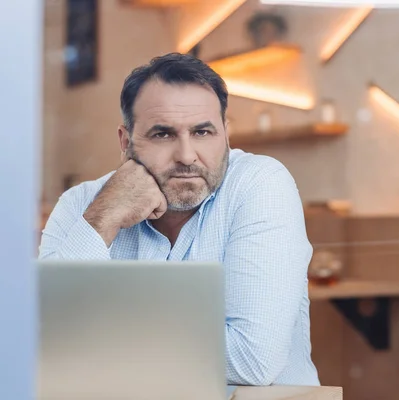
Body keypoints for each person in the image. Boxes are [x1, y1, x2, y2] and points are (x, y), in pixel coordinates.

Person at [39, 53, 319, 387]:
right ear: (126, 142)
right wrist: (103, 219)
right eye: (163, 134)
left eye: (203, 132)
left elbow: (252, 360)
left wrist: (97, 337)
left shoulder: (260, 184)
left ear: (226, 136)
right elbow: (42, 340)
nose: (186, 156)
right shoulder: (82, 205)